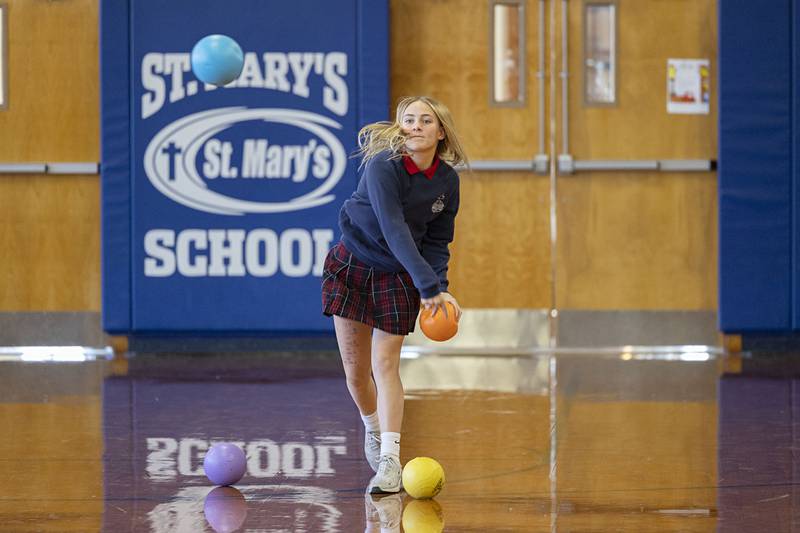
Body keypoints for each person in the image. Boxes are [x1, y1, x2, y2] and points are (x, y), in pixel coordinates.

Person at [321, 96, 468, 494]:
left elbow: (437, 241)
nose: (416, 125)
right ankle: (372, 428)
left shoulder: (447, 182)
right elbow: (394, 228)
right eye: (409, 119)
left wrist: (440, 286)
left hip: (398, 275)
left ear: (441, 133)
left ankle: (389, 460)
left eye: (426, 120)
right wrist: (430, 288)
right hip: (353, 265)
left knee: (385, 365)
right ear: (400, 128)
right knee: (356, 374)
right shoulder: (383, 165)